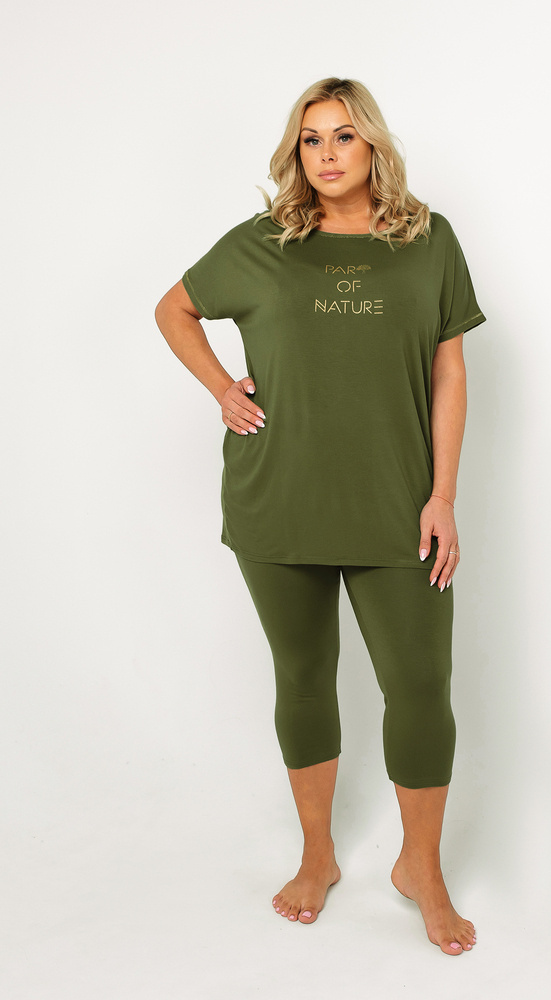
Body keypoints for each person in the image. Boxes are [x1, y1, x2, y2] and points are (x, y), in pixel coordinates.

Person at [154, 77, 486, 955]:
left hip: (398, 507)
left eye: (344, 135)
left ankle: (421, 868)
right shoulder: (264, 242)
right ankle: (317, 856)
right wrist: (223, 389)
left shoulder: (428, 240)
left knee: (421, 688)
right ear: (296, 152)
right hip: (279, 501)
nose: (328, 153)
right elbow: (174, 308)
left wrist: (443, 495)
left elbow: (449, 371)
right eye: (311, 139)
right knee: (302, 679)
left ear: (373, 144)